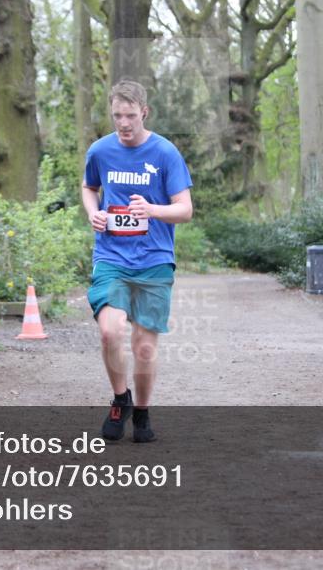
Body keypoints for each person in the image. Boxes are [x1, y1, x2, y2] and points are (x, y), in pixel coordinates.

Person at [81, 80, 193, 443]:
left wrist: (152, 210)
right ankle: (120, 400)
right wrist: (93, 213)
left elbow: (185, 209)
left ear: (144, 112)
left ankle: (142, 412)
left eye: (130, 115)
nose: (123, 123)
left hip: (154, 260)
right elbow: (89, 187)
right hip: (111, 256)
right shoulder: (100, 150)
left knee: (144, 346)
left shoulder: (165, 153)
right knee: (109, 331)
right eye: (117, 115)